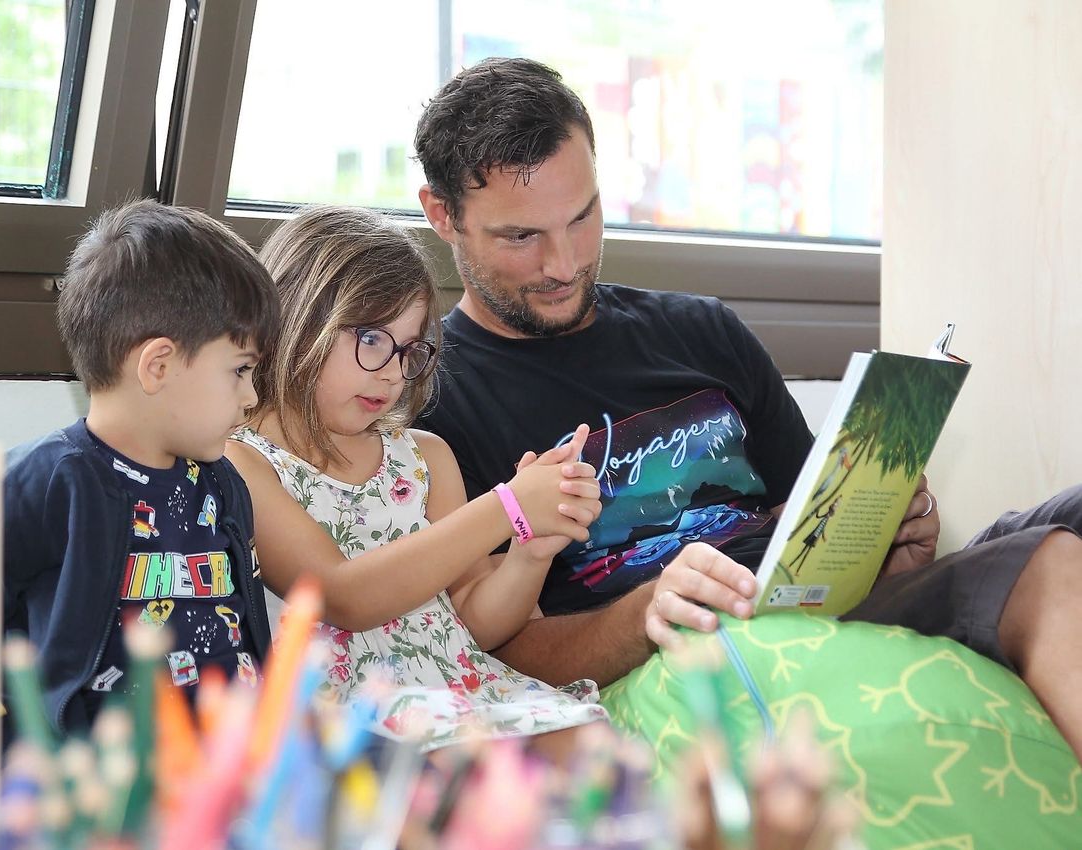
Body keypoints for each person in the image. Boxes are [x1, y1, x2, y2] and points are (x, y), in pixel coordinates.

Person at [411, 56, 1082, 760]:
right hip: (705, 643)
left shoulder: (703, 329)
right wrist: (643, 614)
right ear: (442, 215)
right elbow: (494, 651)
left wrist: (888, 545)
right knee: (1047, 564)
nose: (564, 262)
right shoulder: (436, 412)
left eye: (583, 217)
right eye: (521, 237)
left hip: (808, 612)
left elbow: (804, 530)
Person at [225, 205, 608, 753]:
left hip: (459, 692)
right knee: (472, 768)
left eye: (409, 349)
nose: (391, 371)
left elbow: (475, 622)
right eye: (373, 339)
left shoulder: (424, 457)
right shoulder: (244, 462)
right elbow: (343, 596)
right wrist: (504, 508)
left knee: (589, 739)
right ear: (297, 318)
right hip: (355, 716)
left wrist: (530, 553)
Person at [2, 199, 278, 737]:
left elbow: (244, 629)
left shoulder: (223, 484)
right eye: (240, 371)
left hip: (231, 764)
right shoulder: (49, 482)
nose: (251, 396)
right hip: (111, 781)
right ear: (158, 366)